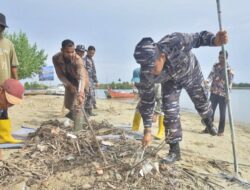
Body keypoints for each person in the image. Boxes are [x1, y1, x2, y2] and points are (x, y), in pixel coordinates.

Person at [133, 30, 228, 164]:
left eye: (152, 67)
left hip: (191, 73)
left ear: (161, 56)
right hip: (170, 82)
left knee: (201, 101)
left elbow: (198, 38)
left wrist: (215, 40)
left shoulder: (176, 41)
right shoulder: (146, 75)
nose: (150, 72)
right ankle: (174, 151)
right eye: (145, 68)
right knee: (170, 111)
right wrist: (147, 131)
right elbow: (147, 102)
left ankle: (207, 119)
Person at [53, 39, 89, 131]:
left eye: (72, 51)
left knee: (78, 104)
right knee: (68, 105)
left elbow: (82, 77)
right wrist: (68, 85)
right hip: (68, 80)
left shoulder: (78, 60)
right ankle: (78, 119)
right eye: (68, 52)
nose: (71, 54)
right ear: (62, 50)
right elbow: (60, 75)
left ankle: (78, 128)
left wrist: (80, 93)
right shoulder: (55, 58)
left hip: (80, 81)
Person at [204, 50, 234, 136]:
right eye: (219, 57)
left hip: (223, 95)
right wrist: (207, 81)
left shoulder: (229, 69)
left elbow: (230, 83)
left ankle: (221, 131)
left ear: (226, 58)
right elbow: (211, 75)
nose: (220, 59)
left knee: (222, 113)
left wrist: (228, 94)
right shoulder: (215, 66)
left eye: (222, 58)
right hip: (213, 92)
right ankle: (208, 128)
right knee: (210, 111)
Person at [131, 68, 165, 139]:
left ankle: (161, 132)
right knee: (138, 108)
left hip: (159, 96)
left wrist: (155, 113)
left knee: (162, 111)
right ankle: (135, 129)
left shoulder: (157, 83)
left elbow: (160, 100)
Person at [0, 13, 19, 120]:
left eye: (1, 26)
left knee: (3, 115)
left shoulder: (9, 44)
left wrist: (16, 84)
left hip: (4, 87)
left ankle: (3, 136)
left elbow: (13, 66)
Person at [0, 79, 25, 159]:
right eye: (7, 102)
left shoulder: (2, 104)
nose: (7, 106)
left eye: (11, 104)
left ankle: (5, 137)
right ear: (1, 91)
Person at [84, 46, 98, 116]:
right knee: (87, 95)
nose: (92, 54)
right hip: (86, 79)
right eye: (91, 53)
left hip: (91, 80)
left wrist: (96, 81)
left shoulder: (92, 60)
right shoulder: (84, 59)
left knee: (92, 95)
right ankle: (86, 111)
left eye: (93, 53)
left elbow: (94, 71)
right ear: (88, 51)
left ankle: (90, 110)